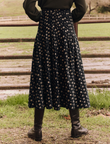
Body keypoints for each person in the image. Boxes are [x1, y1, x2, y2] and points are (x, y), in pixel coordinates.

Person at [23, 0, 90, 141]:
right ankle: (76, 126)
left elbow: (29, 5)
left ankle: (37, 129)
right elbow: (82, 8)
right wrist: (68, 17)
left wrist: (40, 16)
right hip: (66, 29)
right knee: (69, 73)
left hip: (45, 29)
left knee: (42, 74)